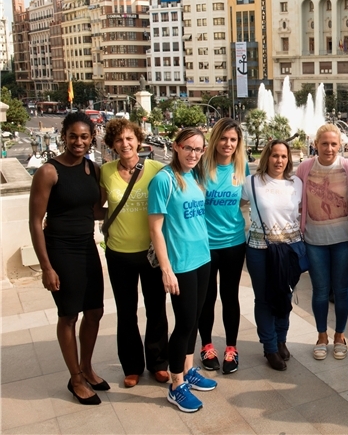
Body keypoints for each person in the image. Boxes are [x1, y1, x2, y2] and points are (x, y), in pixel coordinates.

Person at [29, 112, 107, 405]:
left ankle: (86, 367)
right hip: (61, 250)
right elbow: (36, 221)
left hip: (87, 247)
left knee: (95, 311)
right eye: (73, 136)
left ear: (91, 138)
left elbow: (96, 211)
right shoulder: (49, 172)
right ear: (64, 136)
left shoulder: (94, 169)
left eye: (84, 137)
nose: (78, 141)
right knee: (69, 315)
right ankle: (75, 379)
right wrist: (46, 267)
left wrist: (134, 213)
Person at [148, 128, 217, 413]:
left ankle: (188, 370)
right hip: (181, 264)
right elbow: (155, 228)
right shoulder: (163, 180)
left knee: (196, 318)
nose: (193, 154)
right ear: (176, 147)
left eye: (198, 150)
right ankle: (176, 385)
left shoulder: (196, 176)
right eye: (188, 148)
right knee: (184, 323)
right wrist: (166, 269)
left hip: (202, 258)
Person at [99, 119, 169, 388]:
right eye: (119, 140)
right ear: (112, 145)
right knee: (126, 312)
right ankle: (132, 366)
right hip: (119, 253)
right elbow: (96, 206)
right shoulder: (105, 172)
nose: (125, 144)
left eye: (129, 138)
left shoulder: (156, 169)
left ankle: (158, 363)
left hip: (151, 253)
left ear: (139, 140)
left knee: (156, 309)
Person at [296, 124, 348, 361]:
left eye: (334, 144)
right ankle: (322, 335)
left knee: (342, 290)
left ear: (340, 145)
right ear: (316, 144)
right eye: (324, 143)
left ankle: (339, 335)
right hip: (314, 241)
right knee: (320, 291)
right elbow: (294, 198)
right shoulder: (304, 168)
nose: (329, 148)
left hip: (345, 240)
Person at [242, 140, 303, 371]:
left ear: (289, 159)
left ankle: (281, 339)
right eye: (275, 156)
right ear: (266, 156)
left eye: (284, 156)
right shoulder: (251, 182)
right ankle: (269, 347)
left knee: (285, 296)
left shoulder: (296, 183)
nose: (279, 161)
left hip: (289, 250)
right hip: (260, 250)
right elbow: (235, 206)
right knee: (265, 299)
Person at [197, 118, 249, 375]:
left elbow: (245, 201)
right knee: (206, 298)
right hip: (205, 245)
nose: (228, 144)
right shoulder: (202, 168)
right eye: (224, 138)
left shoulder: (242, 168)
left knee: (230, 297)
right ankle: (206, 346)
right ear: (215, 139)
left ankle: (231, 347)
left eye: (233, 140)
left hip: (234, 243)